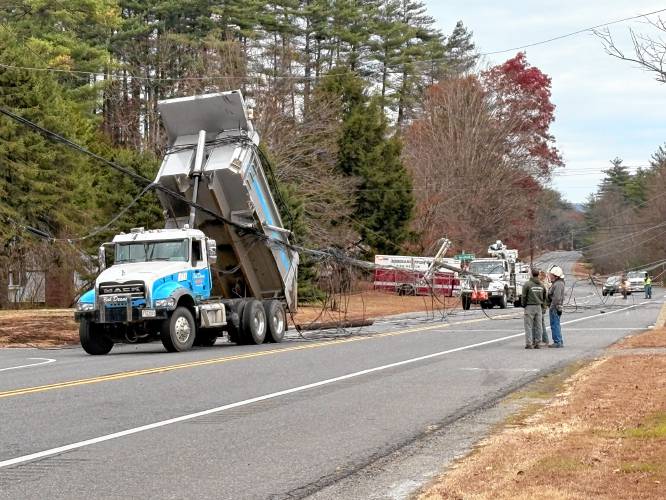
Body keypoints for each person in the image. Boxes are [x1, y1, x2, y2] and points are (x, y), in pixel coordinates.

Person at [521, 268, 546, 349]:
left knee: (528, 326)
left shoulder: (527, 284)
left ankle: (529, 343)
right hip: (539, 306)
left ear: (531, 274)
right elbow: (544, 297)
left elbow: (524, 296)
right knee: (538, 325)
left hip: (529, 306)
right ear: (538, 275)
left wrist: (523, 305)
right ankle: (538, 343)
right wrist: (543, 307)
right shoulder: (542, 285)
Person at [548, 266, 566, 348]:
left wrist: (552, 307)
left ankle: (557, 341)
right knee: (556, 324)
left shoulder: (558, 284)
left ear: (556, 276)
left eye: (552, 275)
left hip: (555, 307)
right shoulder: (557, 283)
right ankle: (559, 341)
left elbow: (557, 297)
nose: (550, 276)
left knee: (555, 324)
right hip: (556, 307)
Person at [538, 270, 551, 345]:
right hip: (543, 305)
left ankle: (543, 340)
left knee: (540, 323)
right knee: (541, 323)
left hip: (541, 305)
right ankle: (545, 340)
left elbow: (544, 296)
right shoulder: (545, 284)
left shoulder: (543, 285)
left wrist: (544, 306)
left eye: (539, 275)